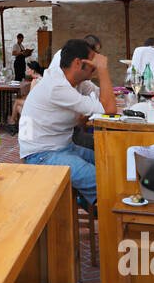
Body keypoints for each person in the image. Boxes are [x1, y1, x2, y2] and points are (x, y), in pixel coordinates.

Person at [18, 39, 117, 205]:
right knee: (101, 179)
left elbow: (106, 98)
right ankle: (108, 218)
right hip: (40, 155)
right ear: (78, 63)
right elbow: (110, 108)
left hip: (63, 148)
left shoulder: (77, 83)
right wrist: (103, 70)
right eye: (93, 61)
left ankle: (85, 200)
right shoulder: (57, 86)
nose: (95, 65)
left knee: (110, 163)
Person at [10, 60, 44, 125]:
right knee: (18, 107)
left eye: (28, 69)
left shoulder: (34, 81)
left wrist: (24, 96)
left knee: (17, 101)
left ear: (33, 71)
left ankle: (12, 120)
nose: (27, 70)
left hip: (35, 104)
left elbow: (30, 98)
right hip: (40, 104)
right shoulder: (41, 78)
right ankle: (16, 122)